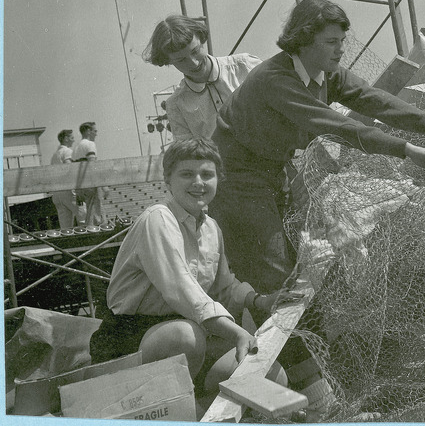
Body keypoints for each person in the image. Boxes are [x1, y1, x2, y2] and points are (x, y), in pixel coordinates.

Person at [212, 0, 425, 294]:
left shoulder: (328, 74)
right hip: (235, 177)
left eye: (342, 40)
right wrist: (407, 150)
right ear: (304, 40)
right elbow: (340, 126)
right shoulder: (276, 79)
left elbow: (379, 103)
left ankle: (301, 334)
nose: (341, 49)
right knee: (274, 269)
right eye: (331, 41)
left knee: (305, 262)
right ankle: (273, 338)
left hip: (274, 169)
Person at [89, 138, 299, 407]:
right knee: (184, 336)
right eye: (186, 174)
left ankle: (195, 409)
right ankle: (165, 412)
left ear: (218, 180)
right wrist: (237, 333)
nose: (198, 182)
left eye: (207, 174)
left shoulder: (211, 228)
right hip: (131, 336)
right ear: (168, 179)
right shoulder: (158, 218)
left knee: (271, 378)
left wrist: (259, 301)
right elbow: (182, 290)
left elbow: (224, 287)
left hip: (190, 337)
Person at [143, 15, 262, 141]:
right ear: (168, 62)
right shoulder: (176, 106)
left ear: (201, 39)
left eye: (195, 51)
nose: (194, 63)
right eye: (181, 60)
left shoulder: (245, 66)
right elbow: (191, 155)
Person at [72, 121, 107, 228]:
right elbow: (93, 166)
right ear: (88, 131)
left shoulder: (76, 148)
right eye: (94, 131)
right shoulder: (90, 144)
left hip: (81, 185)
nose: (96, 134)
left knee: (90, 213)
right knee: (96, 214)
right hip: (90, 183)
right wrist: (103, 185)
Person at [50, 129, 77, 229]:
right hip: (68, 191)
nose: (73, 140)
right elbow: (69, 169)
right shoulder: (67, 151)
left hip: (57, 194)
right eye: (72, 138)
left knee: (65, 227)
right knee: (85, 218)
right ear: (66, 139)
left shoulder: (54, 155)